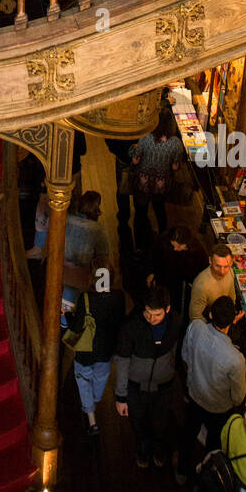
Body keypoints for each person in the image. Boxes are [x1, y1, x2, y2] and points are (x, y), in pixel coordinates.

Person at [176, 295, 246, 482]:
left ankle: (181, 471)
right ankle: (207, 481)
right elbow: (238, 397)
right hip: (219, 408)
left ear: (210, 313)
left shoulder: (195, 328)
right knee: (214, 445)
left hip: (195, 395)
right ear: (233, 320)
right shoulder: (236, 359)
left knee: (188, 434)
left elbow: (184, 356)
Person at [114, 285, 181, 469]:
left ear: (167, 310)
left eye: (157, 315)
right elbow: (123, 361)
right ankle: (142, 450)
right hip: (136, 386)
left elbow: (176, 350)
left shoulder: (175, 322)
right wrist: (121, 396)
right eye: (148, 313)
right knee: (138, 423)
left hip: (164, 385)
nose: (151, 319)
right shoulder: (130, 326)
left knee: (160, 422)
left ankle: (158, 448)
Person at [66, 257, 126, 437]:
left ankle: (91, 420)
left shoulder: (85, 298)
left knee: (84, 380)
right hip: (107, 349)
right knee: (101, 376)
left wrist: (68, 314)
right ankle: (95, 399)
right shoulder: (119, 296)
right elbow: (120, 322)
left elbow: (76, 327)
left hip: (87, 350)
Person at [128, 107, 184, 249]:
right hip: (162, 183)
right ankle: (162, 239)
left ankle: (139, 244)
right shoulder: (176, 143)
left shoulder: (145, 138)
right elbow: (175, 167)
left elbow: (135, 160)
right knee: (160, 210)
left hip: (143, 181)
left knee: (140, 212)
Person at [62, 190, 110, 316]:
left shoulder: (67, 218)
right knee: (103, 269)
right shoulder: (97, 229)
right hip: (81, 274)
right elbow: (103, 256)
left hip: (60, 267)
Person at [148, 222, 209, 316]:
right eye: (173, 245)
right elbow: (155, 256)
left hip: (181, 283)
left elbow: (203, 269)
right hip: (164, 275)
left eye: (179, 246)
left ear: (187, 244)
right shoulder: (163, 241)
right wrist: (152, 272)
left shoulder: (197, 251)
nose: (175, 249)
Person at [189, 243, 240, 323]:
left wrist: (231, 315)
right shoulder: (201, 285)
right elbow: (195, 316)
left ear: (231, 263)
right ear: (210, 260)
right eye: (218, 266)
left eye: (226, 266)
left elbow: (231, 297)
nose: (222, 272)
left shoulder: (230, 271)